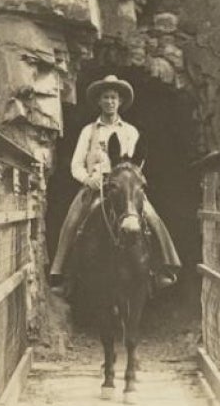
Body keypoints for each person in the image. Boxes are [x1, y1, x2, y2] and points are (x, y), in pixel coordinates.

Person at [50, 75, 181, 297]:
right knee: (73, 220)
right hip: (96, 185)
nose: (110, 101)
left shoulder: (130, 131)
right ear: (99, 102)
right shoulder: (89, 131)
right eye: (105, 97)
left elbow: (136, 163)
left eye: (113, 97)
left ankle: (163, 268)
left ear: (119, 102)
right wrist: (87, 179)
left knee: (152, 216)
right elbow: (75, 165)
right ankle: (63, 275)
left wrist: (129, 180)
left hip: (125, 186)